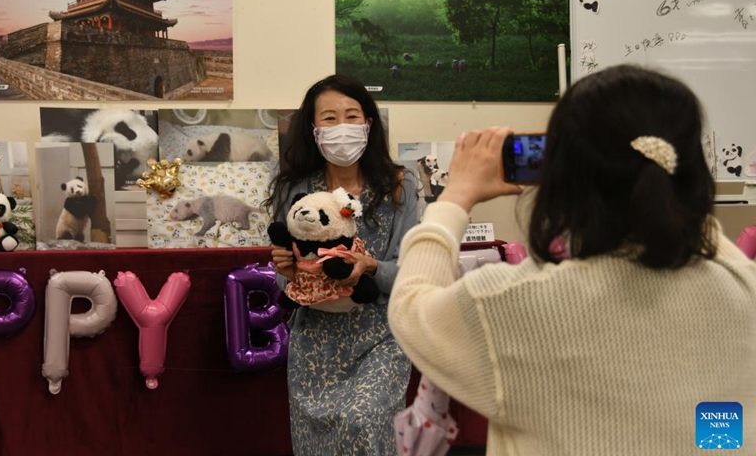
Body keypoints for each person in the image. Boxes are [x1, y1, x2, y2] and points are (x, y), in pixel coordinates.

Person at [388, 64, 756, 455]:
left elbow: (411, 308)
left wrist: (455, 196)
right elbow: (704, 235)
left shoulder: (511, 307)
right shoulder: (741, 286)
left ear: (562, 178)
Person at [266, 74, 418, 455]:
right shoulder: (293, 188)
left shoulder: (400, 184)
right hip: (315, 338)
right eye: (329, 118)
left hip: (381, 334)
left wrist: (369, 267)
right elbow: (288, 279)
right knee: (316, 442)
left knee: (365, 420)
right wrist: (287, 274)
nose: (342, 127)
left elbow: (413, 271)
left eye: (352, 116)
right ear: (313, 128)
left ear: (368, 123)